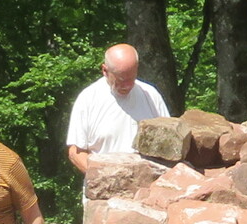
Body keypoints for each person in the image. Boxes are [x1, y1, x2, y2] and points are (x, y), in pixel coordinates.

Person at [63, 43, 170, 175]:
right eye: (121, 80)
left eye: (131, 78)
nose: (127, 86)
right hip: (104, 184)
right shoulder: (88, 99)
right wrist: (101, 178)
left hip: (147, 183)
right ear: (105, 71)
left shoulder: (150, 95)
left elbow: (168, 143)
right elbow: (76, 152)